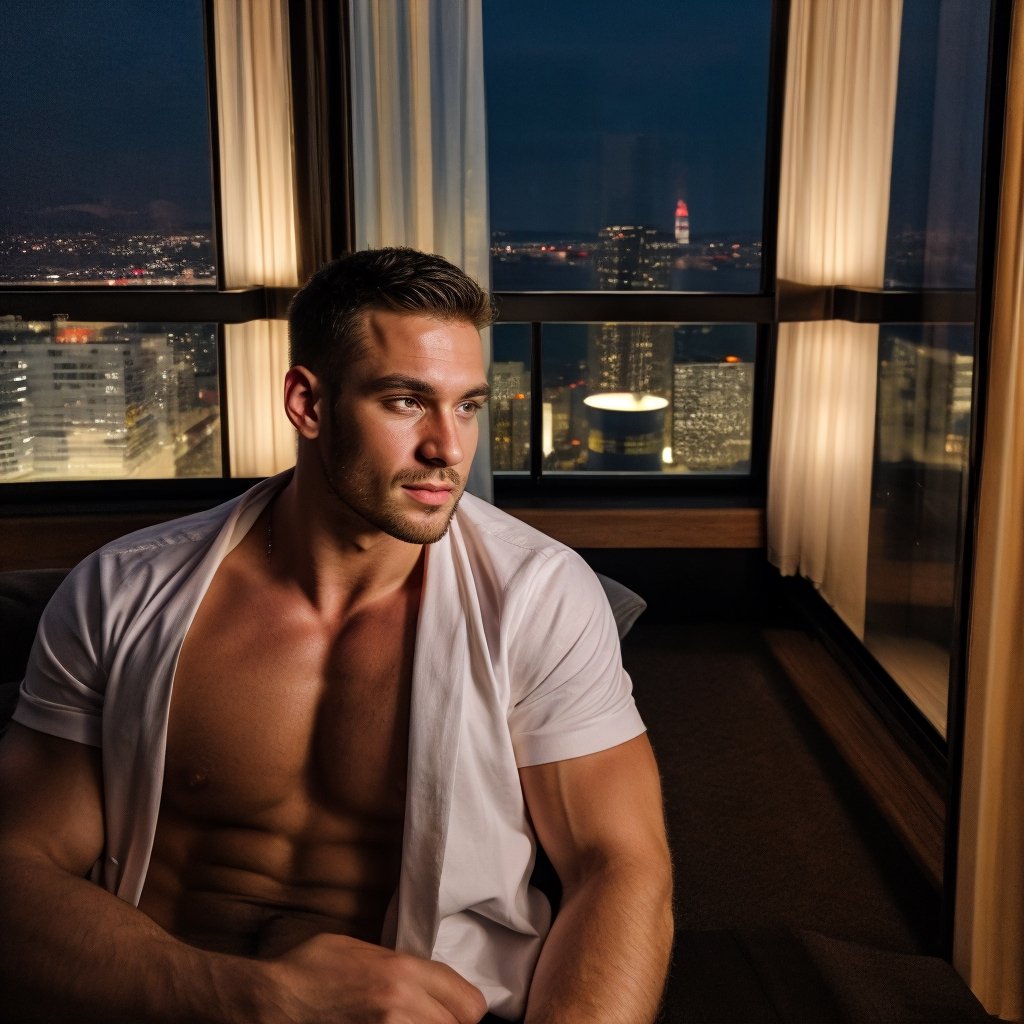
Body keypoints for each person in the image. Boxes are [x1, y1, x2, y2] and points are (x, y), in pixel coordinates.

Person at [0, 247, 673, 1023]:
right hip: (173, 998)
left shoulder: (540, 598)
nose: (448, 450)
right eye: (404, 402)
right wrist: (252, 998)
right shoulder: (122, 591)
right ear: (307, 403)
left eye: (467, 406)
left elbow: (618, 866)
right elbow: (18, 865)